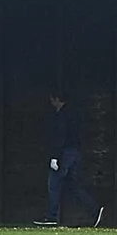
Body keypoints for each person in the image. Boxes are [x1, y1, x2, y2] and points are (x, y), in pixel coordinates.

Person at [39, 91, 100, 226]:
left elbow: (60, 137)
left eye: (52, 100)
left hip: (64, 154)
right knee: (74, 186)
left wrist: (55, 157)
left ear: (57, 99)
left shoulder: (61, 116)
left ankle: (52, 216)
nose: (51, 103)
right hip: (74, 153)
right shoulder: (73, 113)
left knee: (54, 183)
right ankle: (94, 209)